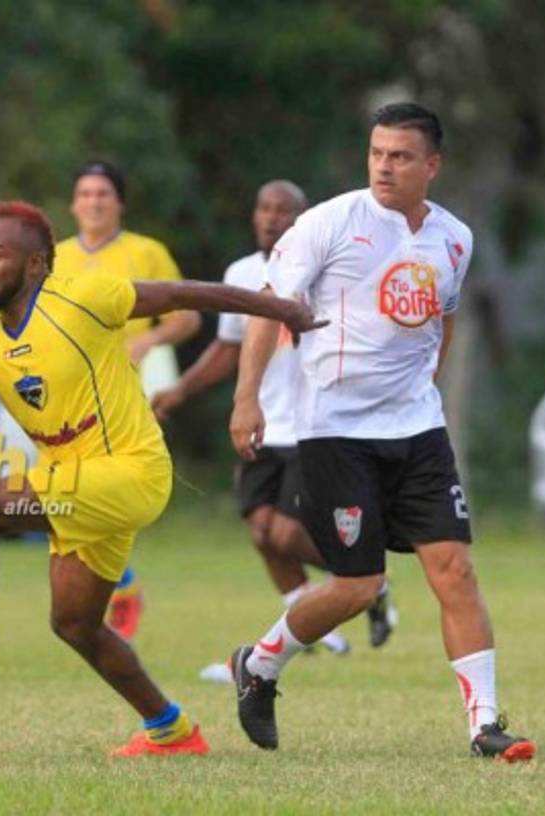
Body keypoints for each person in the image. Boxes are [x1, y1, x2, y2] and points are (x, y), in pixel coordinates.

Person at [0, 200, 322, 757]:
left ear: (37, 264)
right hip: (74, 483)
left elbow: (185, 294)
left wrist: (278, 307)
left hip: (132, 471)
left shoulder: (87, 297)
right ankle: (172, 730)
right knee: (75, 624)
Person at [228, 103, 535, 761]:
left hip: (418, 428)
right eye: (377, 153)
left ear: (432, 165)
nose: (385, 166)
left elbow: (442, 318)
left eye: (400, 156)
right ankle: (259, 664)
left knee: (454, 568)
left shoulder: (455, 237)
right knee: (357, 587)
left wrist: (423, 386)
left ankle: (484, 726)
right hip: (334, 430)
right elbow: (265, 311)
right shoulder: (328, 223)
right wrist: (246, 401)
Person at [152, 181, 398, 668]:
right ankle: (315, 628)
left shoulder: (325, 268)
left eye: (283, 211)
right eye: (263, 208)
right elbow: (227, 349)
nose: (271, 218)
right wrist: (180, 391)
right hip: (263, 421)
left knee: (287, 534)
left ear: (302, 219)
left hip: (312, 426)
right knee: (261, 532)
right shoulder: (241, 273)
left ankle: (369, 581)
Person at [53, 160, 202, 640]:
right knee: (65, 492)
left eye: (103, 193)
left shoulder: (146, 252)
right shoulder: (53, 258)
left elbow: (188, 317)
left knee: (113, 483)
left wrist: (148, 341)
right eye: (85, 193)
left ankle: (117, 588)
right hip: (69, 395)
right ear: (74, 204)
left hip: (127, 393)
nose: (94, 201)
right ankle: (119, 586)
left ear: (118, 203)